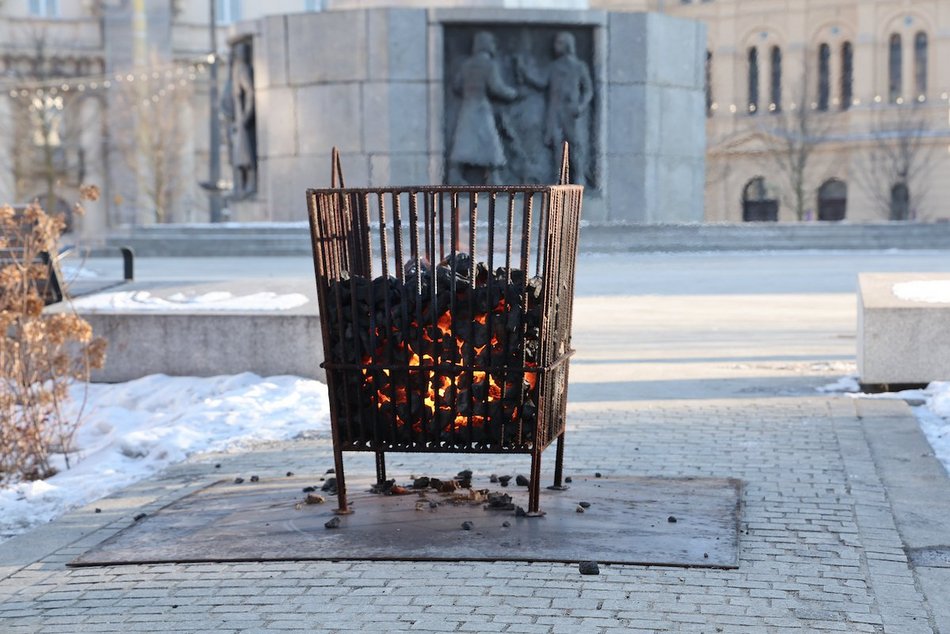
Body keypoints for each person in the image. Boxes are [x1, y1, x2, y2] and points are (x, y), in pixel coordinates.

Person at [516, 32, 593, 185]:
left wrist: (581, 106)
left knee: (575, 145)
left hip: (572, 112)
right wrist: (524, 71)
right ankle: (560, 179)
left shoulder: (579, 66)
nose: (555, 46)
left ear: (568, 45)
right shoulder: (554, 67)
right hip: (555, 113)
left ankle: (579, 177)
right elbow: (541, 82)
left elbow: (588, 90)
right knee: (557, 146)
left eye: (559, 43)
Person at [448, 32, 519, 185]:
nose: (494, 46)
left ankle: (455, 175)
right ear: (486, 44)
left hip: (467, 107)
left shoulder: (466, 65)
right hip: (481, 108)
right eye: (492, 43)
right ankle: (493, 176)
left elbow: (457, 86)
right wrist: (513, 94)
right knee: (489, 142)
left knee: (463, 141)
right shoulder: (489, 64)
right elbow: (496, 88)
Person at [228, 40, 256, 197]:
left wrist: (246, 115)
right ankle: (242, 185)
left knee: (245, 154)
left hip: (241, 117)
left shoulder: (242, 69)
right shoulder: (236, 70)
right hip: (238, 117)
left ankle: (248, 184)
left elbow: (250, 91)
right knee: (240, 155)